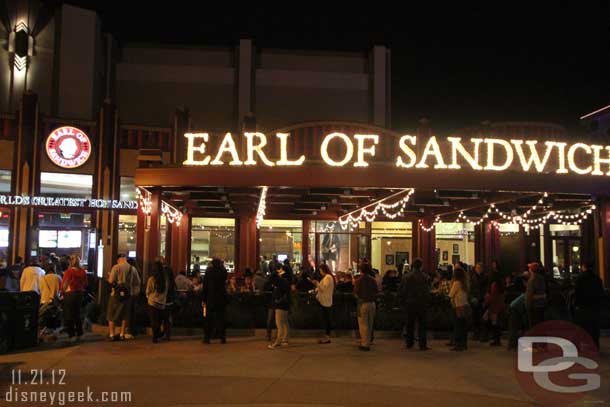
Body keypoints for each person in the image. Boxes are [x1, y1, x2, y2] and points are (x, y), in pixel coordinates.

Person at [399, 258, 431, 351]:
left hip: (410, 303)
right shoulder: (425, 277)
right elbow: (427, 291)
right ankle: (422, 344)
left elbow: (402, 290)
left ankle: (409, 343)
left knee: (410, 324)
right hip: (421, 303)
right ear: (421, 266)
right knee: (422, 324)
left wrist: (403, 301)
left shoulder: (406, 277)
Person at [573, 261, 604, 348]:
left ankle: (582, 345)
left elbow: (577, 292)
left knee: (582, 326)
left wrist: (576, 304)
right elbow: (601, 293)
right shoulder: (597, 278)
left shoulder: (580, 278)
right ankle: (595, 345)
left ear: (584, 267)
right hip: (595, 306)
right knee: (594, 327)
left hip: (583, 306)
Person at [107, 254, 137, 341]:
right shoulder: (133, 269)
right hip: (128, 295)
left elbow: (111, 281)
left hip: (115, 295)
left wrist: (109, 276)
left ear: (119, 260)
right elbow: (137, 282)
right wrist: (133, 293)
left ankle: (112, 334)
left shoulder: (116, 267)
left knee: (111, 314)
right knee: (125, 315)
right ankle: (122, 334)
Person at [201, 258, 228, 344]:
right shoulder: (223, 272)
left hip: (210, 298)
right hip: (221, 298)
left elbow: (205, 286)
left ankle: (207, 338)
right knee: (221, 318)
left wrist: (204, 299)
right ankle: (222, 338)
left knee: (208, 318)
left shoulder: (209, 272)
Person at [61, 255, 88, 342]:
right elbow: (85, 283)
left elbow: (65, 284)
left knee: (69, 315)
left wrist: (62, 293)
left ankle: (71, 335)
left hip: (70, 294)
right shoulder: (82, 271)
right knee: (77, 314)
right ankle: (80, 334)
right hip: (79, 293)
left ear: (70, 262)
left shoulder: (68, 272)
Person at [354, 262, 378, 351]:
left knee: (363, 325)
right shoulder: (373, 280)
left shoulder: (358, 281)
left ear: (361, 270)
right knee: (370, 323)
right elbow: (376, 291)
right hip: (372, 303)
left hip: (363, 303)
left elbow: (356, 293)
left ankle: (365, 343)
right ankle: (368, 341)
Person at [311, 263, 334, 344]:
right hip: (325, 301)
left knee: (326, 320)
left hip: (326, 302)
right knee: (326, 319)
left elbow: (323, 288)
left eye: (321, 271)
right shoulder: (327, 277)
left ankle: (327, 337)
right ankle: (326, 336)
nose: (320, 272)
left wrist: (317, 283)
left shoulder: (328, 277)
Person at [268, 269, 291, 349]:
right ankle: (285, 339)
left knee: (279, 324)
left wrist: (277, 301)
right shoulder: (285, 282)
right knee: (285, 323)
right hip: (286, 305)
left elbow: (278, 294)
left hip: (280, 306)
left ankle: (278, 342)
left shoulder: (278, 284)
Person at [146, 261, 168, 343]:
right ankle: (158, 334)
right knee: (158, 320)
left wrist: (148, 296)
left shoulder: (151, 279)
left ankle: (155, 337)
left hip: (152, 302)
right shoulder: (165, 279)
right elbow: (166, 291)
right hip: (162, 303)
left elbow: (148, 291)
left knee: (153, 320)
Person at [449, 266, 470, 351]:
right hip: (465, 305)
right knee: (463, 326)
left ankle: (458, 345)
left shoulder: (456, 283)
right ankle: (464, 344)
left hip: (458, 306)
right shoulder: (465, 282)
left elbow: (451, 294)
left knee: (457, 326)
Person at [485, 266, 505, 346]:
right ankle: (497, 339)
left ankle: (496, 340)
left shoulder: (493, 285)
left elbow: (492, 296)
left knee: (494, 322)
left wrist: (487, 300)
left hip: (494, 305)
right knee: (497, 322)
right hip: (499, 304)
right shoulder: (500, 284)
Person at [525, 262, 546, 330]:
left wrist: (527, 306)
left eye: (529, 268)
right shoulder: (542, 279)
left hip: (534, 307)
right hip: (542, 305)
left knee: (533, 326)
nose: (528, 269)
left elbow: (529, 297)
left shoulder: (531, 280)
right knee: (540, 326)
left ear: (531, 270)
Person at [124, 258, 142, 340]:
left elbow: (131, 283)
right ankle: (132, 330)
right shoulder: (138, 271)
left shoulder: (131, 270)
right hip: (136, 294)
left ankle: (129, 330)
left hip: (130, 294)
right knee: (133, 312)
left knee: (129, 312)